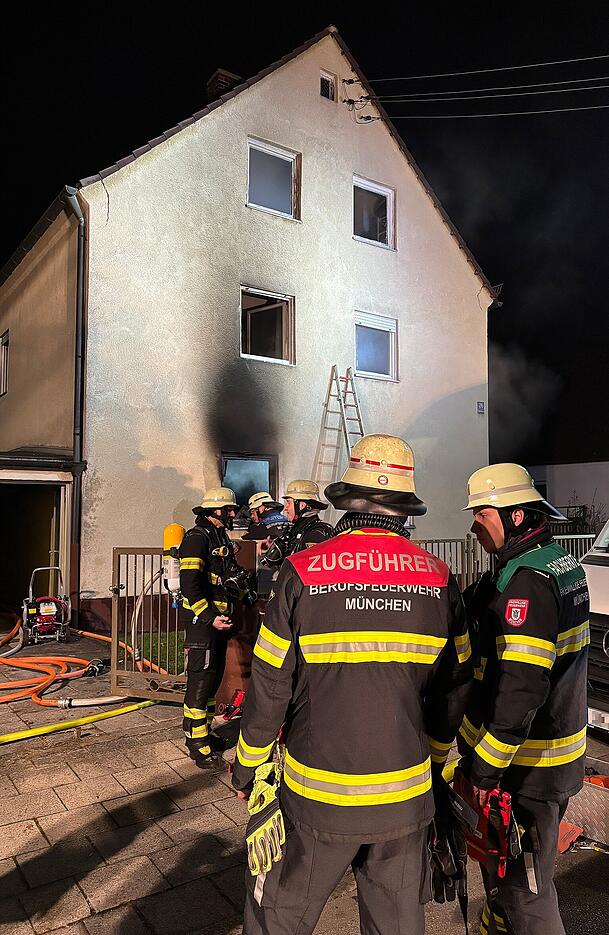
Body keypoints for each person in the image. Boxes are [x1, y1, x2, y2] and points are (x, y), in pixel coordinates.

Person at [232, 434, 473, 935]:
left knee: (278, 914)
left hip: (318, 796)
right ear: (404, 508)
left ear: (347, 501)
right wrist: (432, 760)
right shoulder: (439, 578)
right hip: (406, 794)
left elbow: (270, 682)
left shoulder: (301, 572)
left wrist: (249, 766)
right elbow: (454, 686)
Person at [459, 463, 590, 935]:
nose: (474, 527)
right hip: (552, 755)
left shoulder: (528, 584)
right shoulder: (556, 562)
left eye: (482, 515)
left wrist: (485, 767)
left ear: (515, 517)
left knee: (526, 888)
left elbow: (522, 687)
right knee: (503, 875)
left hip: (528, 766)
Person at [179, 486, 248, 768]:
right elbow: (189, 585)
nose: (233, 514)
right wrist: (209, 617)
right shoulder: (196, 538)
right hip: (203, 624)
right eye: (229, 510)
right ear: (215, 510)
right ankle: (197, 746)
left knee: (211, 684)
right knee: (200, 684)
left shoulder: (219, 536)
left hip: (218, 623)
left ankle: (204, 734)